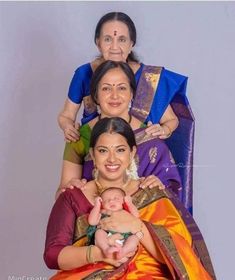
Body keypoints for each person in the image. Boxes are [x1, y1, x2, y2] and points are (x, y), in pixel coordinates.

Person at [44, 117, 216, 279]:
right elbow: (52, 255)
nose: (112, 158)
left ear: (132, 153)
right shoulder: (73, 196)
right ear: (93, 154)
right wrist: (98, 253)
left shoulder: (151, 191)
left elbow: (178, 255)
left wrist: (137, 226)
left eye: (120, 150)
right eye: (103, 150)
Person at [57, 12, 194, 212]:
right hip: (92, 208)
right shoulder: (84, 76)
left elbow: (171, 122)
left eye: (121, 39)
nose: (114, 46)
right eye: (107, 39)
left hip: (141, 207)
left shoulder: (148, 81)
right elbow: (66, 116)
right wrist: (71, 189)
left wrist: (164, 131)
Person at [57, 61, 182, 204]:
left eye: (122, 88)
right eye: (106, 89)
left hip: (141, 221)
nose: (114, 96)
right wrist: (71, 190)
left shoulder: (150, 137)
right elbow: (62, 196)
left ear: (132, 94)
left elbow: (172, 198)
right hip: (92, 219)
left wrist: (159, 187)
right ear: (96, 95)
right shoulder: (80, 137)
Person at [87, 187, 140, 259]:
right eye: (107, 200)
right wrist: (97, 205)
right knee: (99, 232)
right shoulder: (102, 213)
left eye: (116, 199)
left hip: (125, 238)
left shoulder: (127, 212)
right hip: (107, 236)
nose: (111, 201)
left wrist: (129, 203)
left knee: (134, 238)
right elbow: (92, 222)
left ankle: (124, 251)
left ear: (123, 201)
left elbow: (136, 217)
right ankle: (106, 249)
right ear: (102, 204)